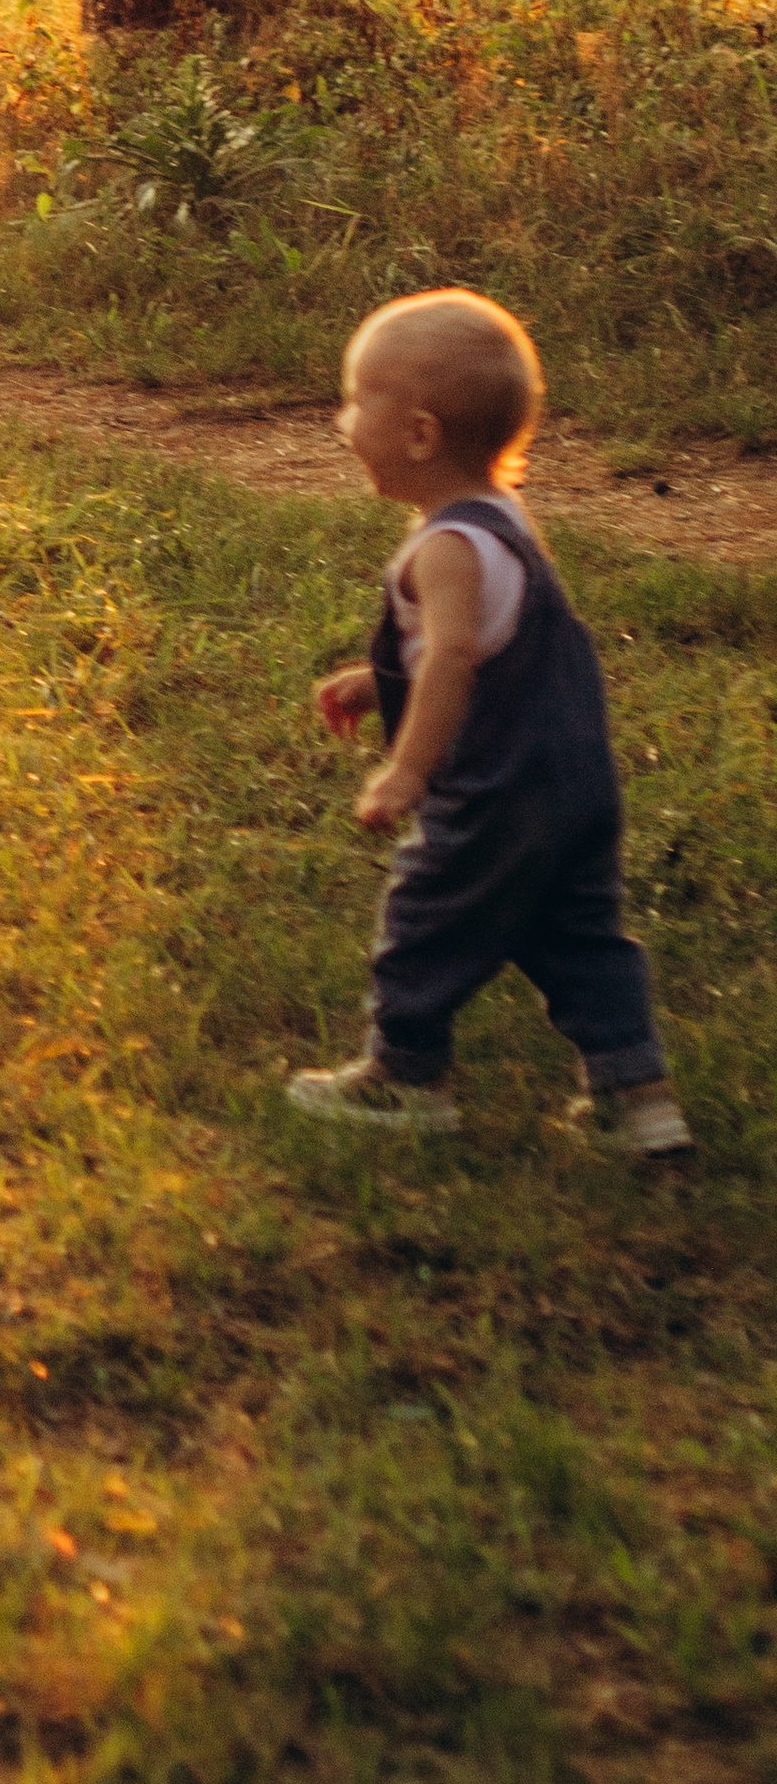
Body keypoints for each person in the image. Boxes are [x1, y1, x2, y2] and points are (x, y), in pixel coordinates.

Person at [288, 285, 688, 1153]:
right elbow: (477, 645)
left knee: (424, 919)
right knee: (580, 936)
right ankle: (639, 1098)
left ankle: (405, 1076)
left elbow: (457, 660)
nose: (341, 421)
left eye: (357, 401)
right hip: (576, 786)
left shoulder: (441, 549)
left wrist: (409, 770)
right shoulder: (502, 526)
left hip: (495, 792)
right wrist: (375, 680)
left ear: (420, 434)